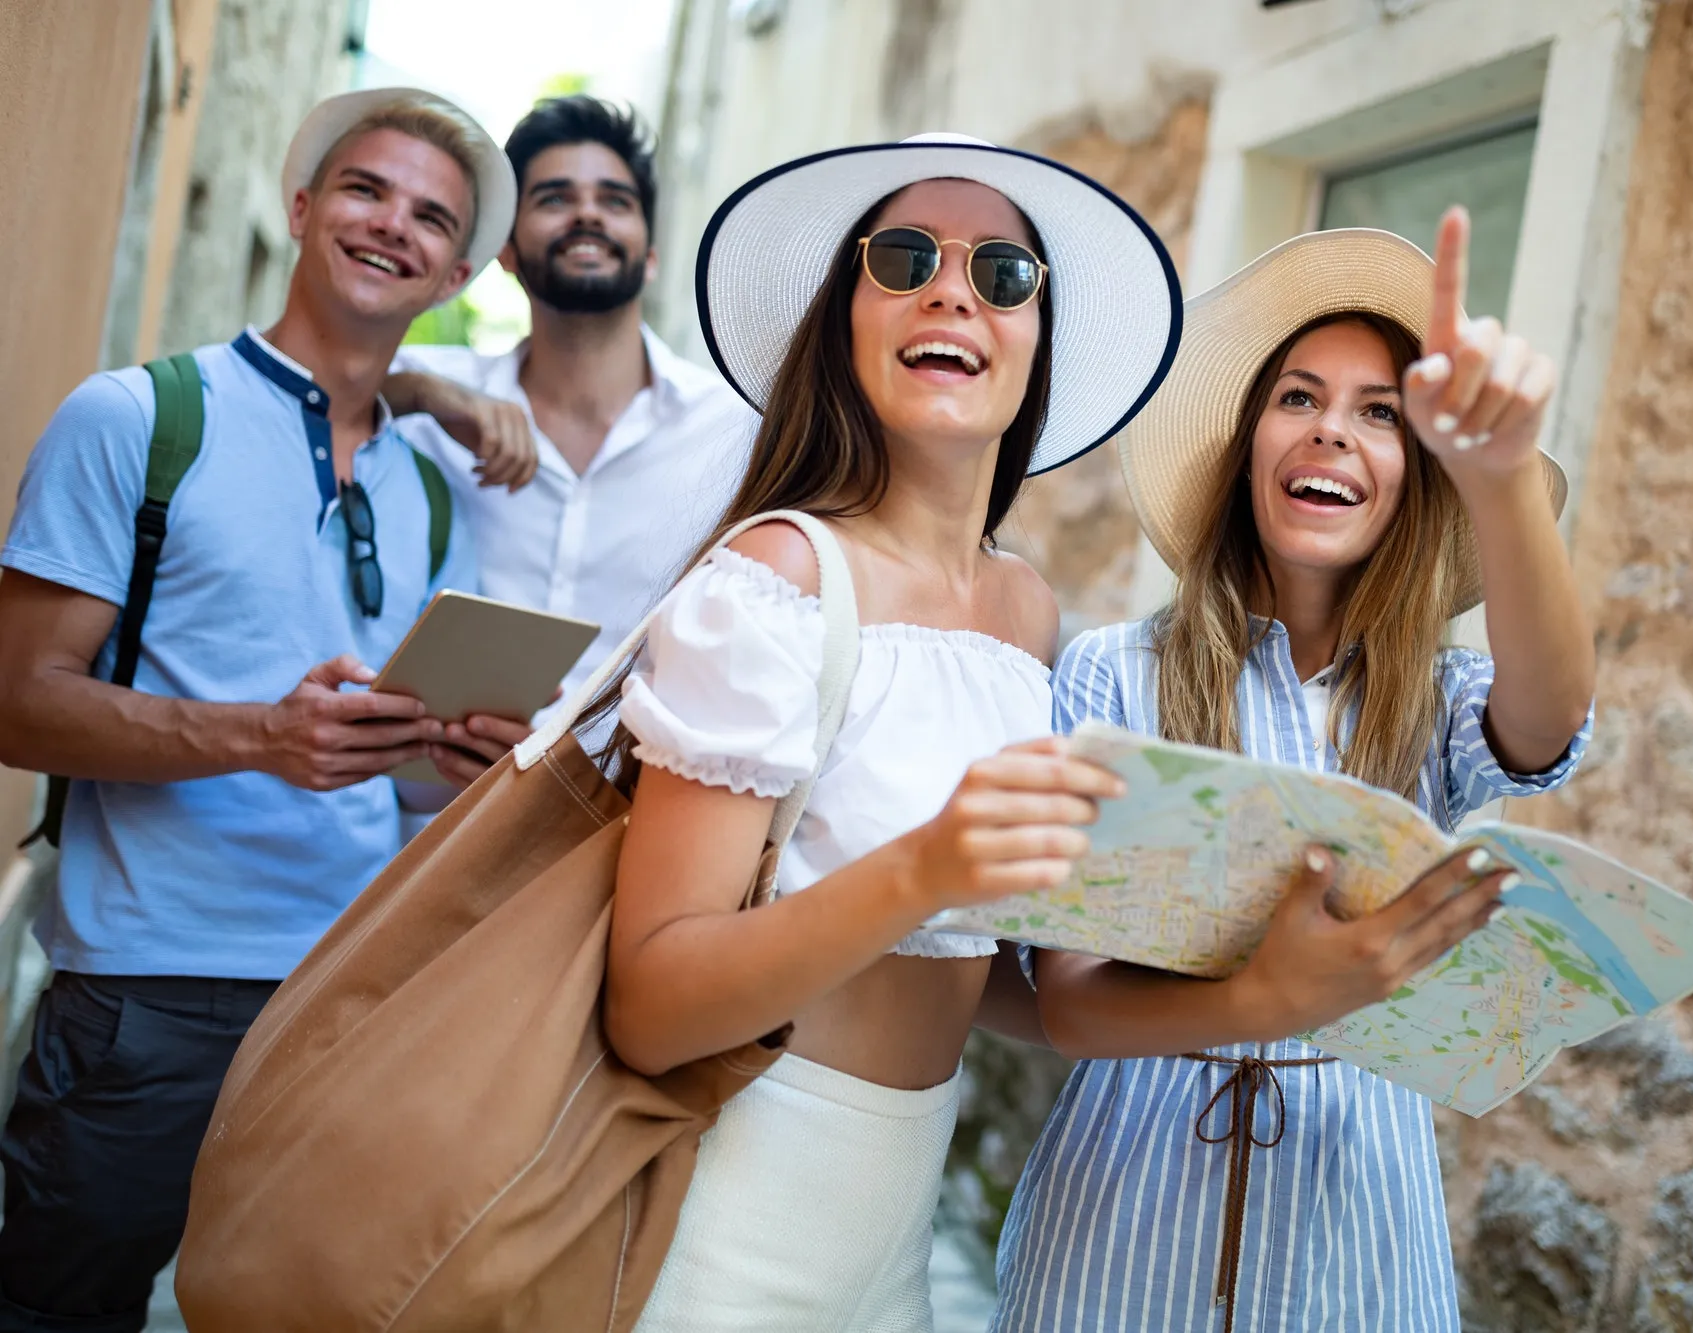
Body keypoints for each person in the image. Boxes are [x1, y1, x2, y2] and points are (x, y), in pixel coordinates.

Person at [578, 134, 1181, 1330]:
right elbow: (649, 1008)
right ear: (844, 321)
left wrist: (1251, 975)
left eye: (1000, 273)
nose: (950, 290)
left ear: (1036, 339)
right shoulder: (775, 580)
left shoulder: (1027, 611)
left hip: (896, 1246)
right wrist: (925, 865)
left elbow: (972, 973)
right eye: (904, 259)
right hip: (724, 1225)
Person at [990, 214, 1597, 1332]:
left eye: (1381, 413)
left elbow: (1550, 715)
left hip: (1355, 1233)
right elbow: (1065, 999)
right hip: (1120, 1221)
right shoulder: (1111, 676)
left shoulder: (1435, 702)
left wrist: (1501, 473)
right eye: (1297, 397)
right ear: (1247, 448)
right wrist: (1266, 996)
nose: (1331, 431)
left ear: (1417, 477)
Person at [0, 88, 513, 1332]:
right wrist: (258, 737)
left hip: (348, 994)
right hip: (144, 990)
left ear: (456, 272)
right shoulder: (137, 418)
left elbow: (399, 780)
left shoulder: (431, 495)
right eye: (364, 189)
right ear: (299, 206)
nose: (391, 224)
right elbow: (16, 703)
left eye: (430, 216)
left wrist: (460, 757)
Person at [383, 96, 759, 780]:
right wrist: (419, 395)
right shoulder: (427, 402)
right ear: (504, 250)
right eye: (555, 198)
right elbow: (309, 406)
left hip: (632, 824)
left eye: (615, 200)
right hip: (431, 816)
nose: (587, 214)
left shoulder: (734, 433)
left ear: (650, 255)